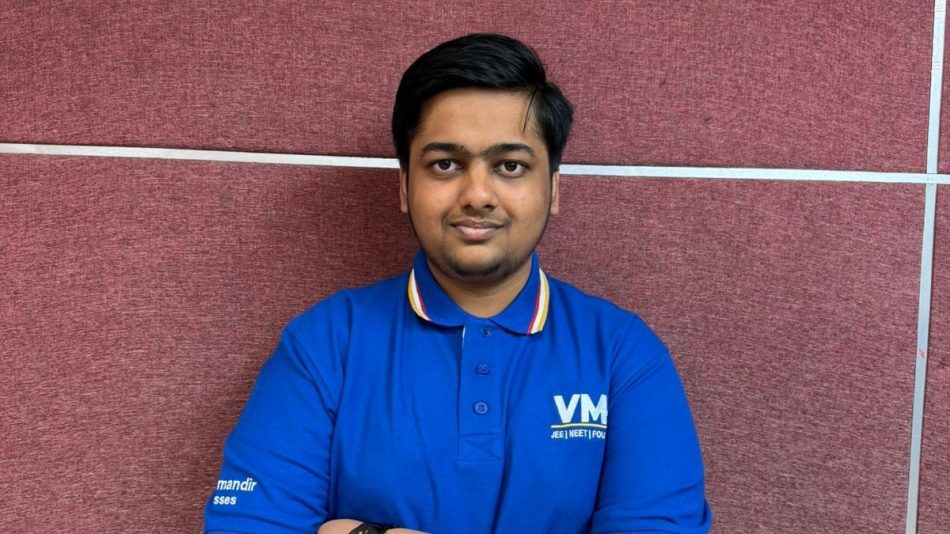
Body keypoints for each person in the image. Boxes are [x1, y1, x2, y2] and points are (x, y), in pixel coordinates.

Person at [204, 33, 712, 534]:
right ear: (405, 186)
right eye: (445, 164)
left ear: (553, 189)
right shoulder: (325, 345)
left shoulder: (622, 354)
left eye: (510, 166)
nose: (477, 195)